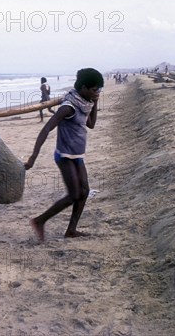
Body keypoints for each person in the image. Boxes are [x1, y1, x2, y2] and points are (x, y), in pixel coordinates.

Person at [25, 68, 104, 243]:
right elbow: (46, 129)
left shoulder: (85, 102)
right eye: (93, 90)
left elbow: (91, 124)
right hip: (64, 156)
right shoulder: (68, 107)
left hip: (77, 155)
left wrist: (95, 102)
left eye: (99, 90)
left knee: (84, 192)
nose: (96, 93)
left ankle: (71, 230)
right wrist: (33, 157)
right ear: (83, 88)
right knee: (74, 194)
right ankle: (39, 221)